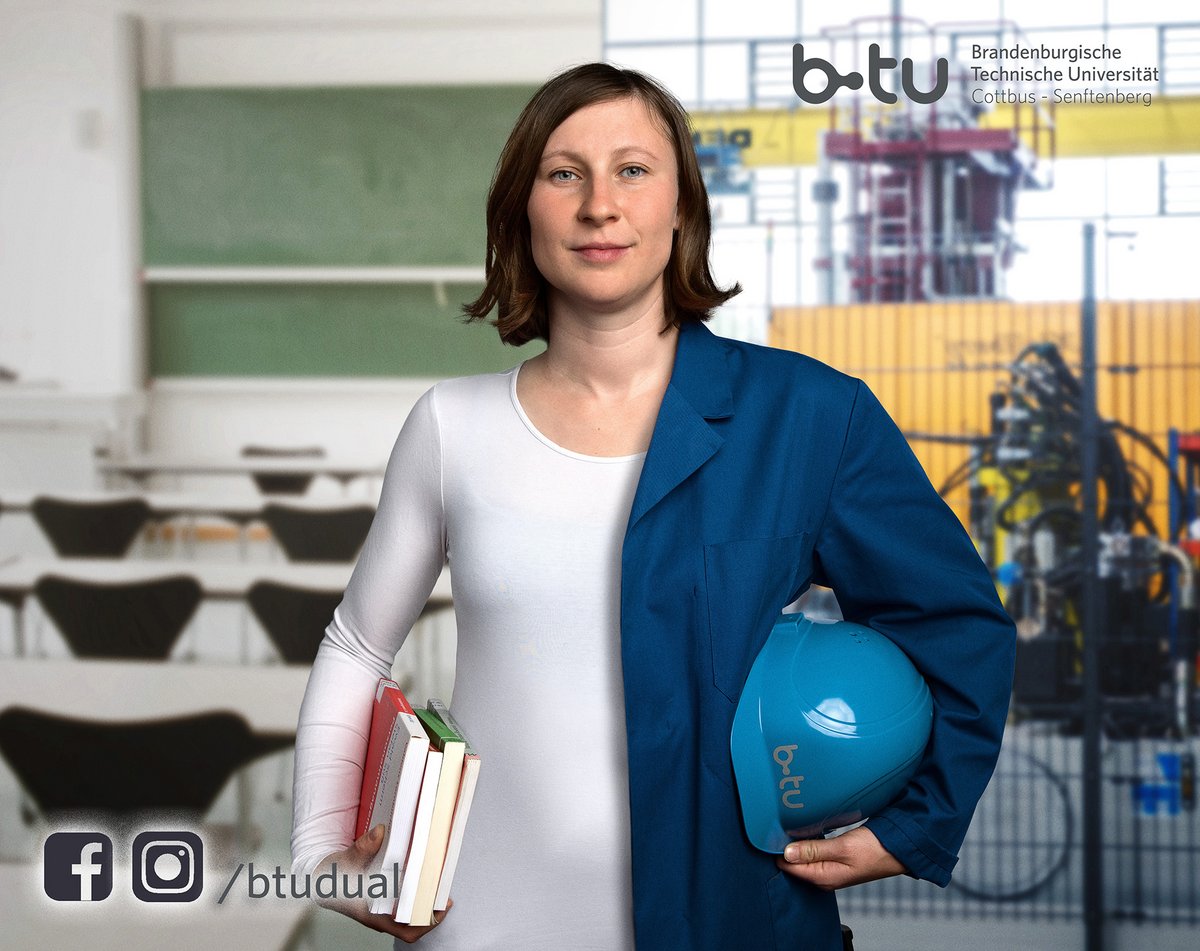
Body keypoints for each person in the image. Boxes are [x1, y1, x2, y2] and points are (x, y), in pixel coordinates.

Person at [290, 63, 1016, 951]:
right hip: (482, 922)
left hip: (734, 918)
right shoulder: (452, 425)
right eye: (565, 173)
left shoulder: (810, 416)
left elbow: (955, 622)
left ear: (681, 207)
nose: (602, 204)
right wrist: (320, 847)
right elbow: (356, 645)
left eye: (633, 169)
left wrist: (913, 826)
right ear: (524, 208)